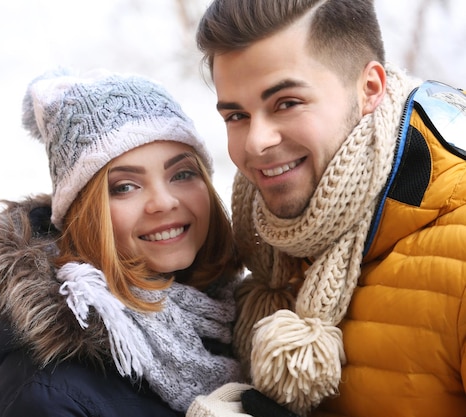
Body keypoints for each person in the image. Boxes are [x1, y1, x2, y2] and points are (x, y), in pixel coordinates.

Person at [186, 1, 466, 417]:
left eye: (286, 103)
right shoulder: (263, 248)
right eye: (237, 115)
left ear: (369, 88)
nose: (255, 143)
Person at [0, 68, 245, 417]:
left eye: (182, 174)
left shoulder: (246, 320)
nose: (164, 202)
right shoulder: (47, 394)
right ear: (82, 213)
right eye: (124, 186)